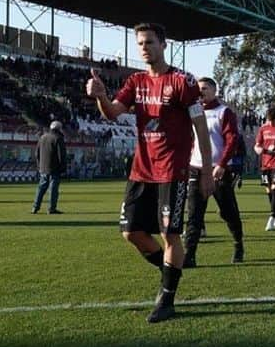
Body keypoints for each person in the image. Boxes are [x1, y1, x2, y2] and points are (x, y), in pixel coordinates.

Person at [85, 22, 213, 324]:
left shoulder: (183, 81)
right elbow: (114, 113)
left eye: (150, 42)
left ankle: (167, 299)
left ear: (164, 44)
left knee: (170, 234)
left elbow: (201, 128)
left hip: (172, 170)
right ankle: (169, 271)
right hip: (141, 170)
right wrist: (101, 96)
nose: (144, 47)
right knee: (131, 232)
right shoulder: (136, 81)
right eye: (141, 43)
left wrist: (206, 170)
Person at [183, 77, 245, 267]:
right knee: (194, 214)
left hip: (218, 170)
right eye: (199, 88)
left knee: (228, 212)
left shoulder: (223, 112)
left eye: (205, 88)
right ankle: (189, 255)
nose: (201, 91)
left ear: (214, 90)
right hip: (196, 168)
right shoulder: (193, 110)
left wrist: (223, 164)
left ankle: (238, 244)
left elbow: (231, 139)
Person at [254, 106, 275, 231]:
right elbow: (257, 146)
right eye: (269, 120)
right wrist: (264, 150)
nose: (270, 123)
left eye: (272, 120)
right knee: (268, 190)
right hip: (264, 164)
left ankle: (272, 217)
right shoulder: (263, 129)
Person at [31, 121, 66, 214]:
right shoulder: (58, 138)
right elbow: (61, 155)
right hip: (55, 168)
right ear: (59, 129)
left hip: (43, 168)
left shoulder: (42, 137)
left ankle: (35, 207)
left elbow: (36, 153)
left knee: (41, 188)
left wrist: (39, 165)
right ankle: (51, 208)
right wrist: (63, 168)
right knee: (53, 190)